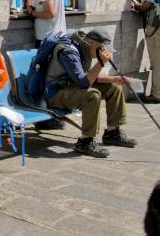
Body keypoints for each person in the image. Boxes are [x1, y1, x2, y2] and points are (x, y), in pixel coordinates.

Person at [44, 29, 137, 158]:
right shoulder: (68, 51)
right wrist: (100, 63)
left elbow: (87, 77)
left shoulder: (83, 47)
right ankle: (85, 141)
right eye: (101, 49)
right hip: (55, 94)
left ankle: (112, 133)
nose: (104, 53)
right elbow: (83, 82)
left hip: (72, 88)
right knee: (92, 95)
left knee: (114, 87)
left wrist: (116, 79)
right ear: (92, 43)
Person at [21, 0, 68, 130]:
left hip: (47, 40)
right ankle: (54, 116)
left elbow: (50, 12)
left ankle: (48, 119)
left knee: (42, 80)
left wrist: (32, 12)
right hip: (57, 36)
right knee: (53, 79)